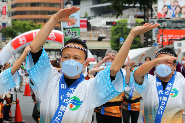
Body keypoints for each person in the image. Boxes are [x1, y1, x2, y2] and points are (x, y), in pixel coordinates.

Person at [25, 6, 159, 123]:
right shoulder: (49, 79)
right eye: (66, 57)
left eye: (76, 58)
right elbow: (35, 48)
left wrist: (131, 35)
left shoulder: (90, 87)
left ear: (85, 63)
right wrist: (54, 19)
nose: (71, 60)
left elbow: (114, 69)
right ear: (60, 59)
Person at [132, 47, 185, 123]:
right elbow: (137, 74)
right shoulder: (149, 81)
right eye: (159, 62)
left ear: (174, 65)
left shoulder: (181, 83)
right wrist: (156, 60)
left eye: (167, 62)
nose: (163, 65)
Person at [91, 50, 123, 123]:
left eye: (112, 59)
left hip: (115, 108)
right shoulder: (100, 69)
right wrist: (102, 61)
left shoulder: (120, 71)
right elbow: (91, 72)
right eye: (108, 58)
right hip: (101, 107)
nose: (110, 60)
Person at [122, 58, 141, 123]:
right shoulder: (128, 79)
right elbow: (127, 77)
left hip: (136, 104)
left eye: (135, 71)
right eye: (132, 71)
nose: (133, 73)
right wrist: (127, 67)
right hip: (125, 103)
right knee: (125, 121)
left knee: (134, 121)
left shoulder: (140, 81)